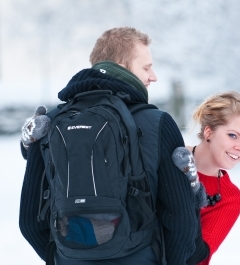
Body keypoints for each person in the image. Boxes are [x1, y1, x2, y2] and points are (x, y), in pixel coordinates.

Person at [18, 27, 208, 265]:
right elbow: (180, 220)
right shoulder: (157, 122)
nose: (154, 76)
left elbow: (29, 221)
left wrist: (65, 257)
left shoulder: (50, 122)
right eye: (146, 67)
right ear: (120, 64)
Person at [172, 91, 240, 264]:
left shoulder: (230, 198)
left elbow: (195, 256)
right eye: (233, 135)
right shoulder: (169, 155)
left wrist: (194, 196)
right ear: (208, 132)